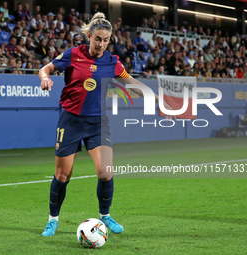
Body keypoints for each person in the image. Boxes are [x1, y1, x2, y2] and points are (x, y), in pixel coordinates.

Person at [39, 12, 174, 237]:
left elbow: (133, 84)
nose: (101, 44)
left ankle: (105, 216)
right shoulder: (73, 55)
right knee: (63, 176)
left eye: (106, 40)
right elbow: (46, 68)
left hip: (97, 123)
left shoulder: (112, 62)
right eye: (97, 39)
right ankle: (52, 220)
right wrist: (45, 77)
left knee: (105, 172)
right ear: (89, 36)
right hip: (70, 120)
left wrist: (159, 102)